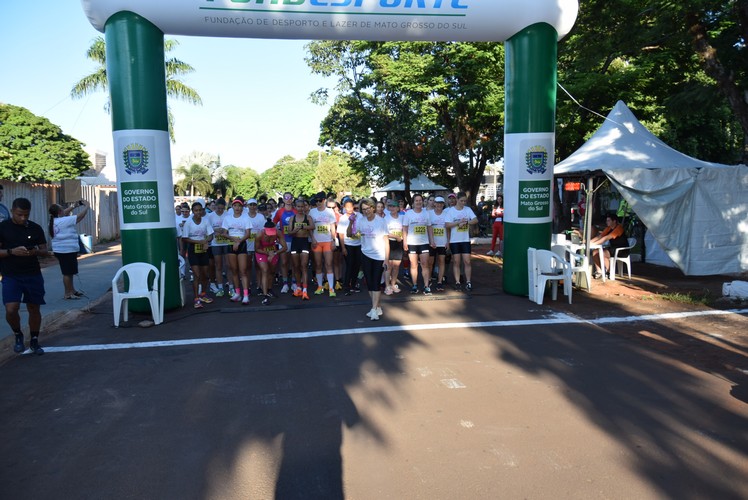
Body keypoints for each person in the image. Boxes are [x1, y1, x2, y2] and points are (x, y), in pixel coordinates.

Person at [0, 197, 49, 355]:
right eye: (20, 214)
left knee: (34, 308)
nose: (23, 218)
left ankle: (34, 340)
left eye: (26, 215)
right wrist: (11, 251)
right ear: (13, 210)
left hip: (32, 273)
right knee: (11, 309)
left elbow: (44, 250)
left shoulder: (35, 228)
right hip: (11, 275)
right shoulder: (3, 228)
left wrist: (35, 251)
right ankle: (17, 334)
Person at [354, 197, 390, 320]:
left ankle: (374, 309)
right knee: (369, 283)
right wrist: (350, 223)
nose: (366, 211)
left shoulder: (381, 221)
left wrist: (386, 259)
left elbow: (386, 241)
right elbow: (352, 234)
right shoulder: (360, 221)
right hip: (365, 254)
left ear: (373, 208)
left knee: (376, 282)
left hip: (379, 255)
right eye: (363, 209)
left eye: (368, 208)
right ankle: (377, 306)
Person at [48, 199, 89, 299]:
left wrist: (74, 206)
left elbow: (63, 212)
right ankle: (68, 293)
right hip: (66, 251)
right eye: (62, 208)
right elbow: (80, 217)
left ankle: (72, 290)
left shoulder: (55, 220)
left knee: (70, 272)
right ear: (59, 212)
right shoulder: (64, 221)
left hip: (63, 250)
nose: (64, 210)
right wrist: (87, 206)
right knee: (67, 273)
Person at [182, 201, 215, 308]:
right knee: (197, 275)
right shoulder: (188, 223)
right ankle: (196, 298)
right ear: (193, 211)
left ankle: (203, 294)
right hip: (193, 250)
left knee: (205, 274)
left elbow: (211, 235)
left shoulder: (205, 221)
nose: (198, 212)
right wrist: (199, 242)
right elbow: (185, 238)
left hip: (204, 250)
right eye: (196, 210)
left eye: (200, 210)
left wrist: (206, 241)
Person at [444, 192, 478, 291]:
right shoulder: (451, 211)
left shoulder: (468, 210)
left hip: (465, 240)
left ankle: (468, 282)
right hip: (454, 241)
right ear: (457, 200)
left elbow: (475, 220)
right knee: (456, 262)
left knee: (467, 261)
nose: (463, 203)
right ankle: (457, 282)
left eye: (465, 201)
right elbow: (447, 225)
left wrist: (467, 222)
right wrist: (458, 223)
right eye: (461, 201)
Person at [402, 193, 434, 295]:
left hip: (424, 243)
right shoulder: (408, 214)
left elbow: (429, 228)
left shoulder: (426, 213)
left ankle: (426, 286)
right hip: (412, 243)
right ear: (413, 202)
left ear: (422, 202)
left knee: (425, 264)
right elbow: (405, 228)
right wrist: (405, 242)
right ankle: (414, 285)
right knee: (414, 265)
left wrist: (432, 240)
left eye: (420, 200)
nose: (418, 202)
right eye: (416, 200)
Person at [222, 197, 251, 304]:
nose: (237, 208)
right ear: (232, 207)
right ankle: (237, 293)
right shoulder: (227, 218)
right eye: (235, 205)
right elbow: (224, 233)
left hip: (242, 244)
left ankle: (246, 294)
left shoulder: (245, 218)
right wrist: (233, 239)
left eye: (239, 206)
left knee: (243, 270)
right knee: (234, 270)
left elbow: (248, 234)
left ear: (242, 207)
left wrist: (238, 242)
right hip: (231, 244)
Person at [310, 195, 338, 297]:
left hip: (327, 241)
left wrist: (333, 240)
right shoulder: (312, 212)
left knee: (329, 264)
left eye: (320, 200)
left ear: (324, 200)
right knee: (317, 264)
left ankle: (331, 288)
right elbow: (310, 228)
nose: (318, 202)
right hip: (316, 242)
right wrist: (312, 239)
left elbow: (332, 227)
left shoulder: (330, 211)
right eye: (316, 201)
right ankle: (320, 286)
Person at [255, 219, 287, 305]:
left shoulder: (278, 233)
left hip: (273, 252)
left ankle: (269, 289)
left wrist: (274, 253)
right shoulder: (259, 235)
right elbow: (256, 249)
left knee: (272, 272)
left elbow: (285, 247)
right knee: (265, 270)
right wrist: (267, 253)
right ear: (264, 229)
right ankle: (265, 296)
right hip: (262, 252)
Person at [288, 198, 314, 300]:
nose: (300, 208)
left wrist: (303, 227)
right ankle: (298, 287)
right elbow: (289, 232)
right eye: (298, 207)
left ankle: (305, 289)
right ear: (295, 207)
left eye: (302, 206)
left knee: (304, 266)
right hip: (295, 242)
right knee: (296, 266)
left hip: (304, 242)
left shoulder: (308, 217)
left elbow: (312, 226)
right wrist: (295, 230)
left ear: (305, 207)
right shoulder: (292, 218)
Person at [272, 192, 297, 294]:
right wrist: (276, 237)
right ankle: (285, 283)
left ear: (292, 199)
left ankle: (294, 283)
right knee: (284, 262)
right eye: (286, 198)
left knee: (294, 263)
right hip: (283, 240)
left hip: (294, 239)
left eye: (290, 197)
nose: (288, 199)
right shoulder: (279, 212)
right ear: (283, 199)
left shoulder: (296, 211)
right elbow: (273, 225)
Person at [590, 213, 629, 278]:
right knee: (595, 252)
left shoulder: (618, 228)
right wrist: (589, 242)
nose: (606, 222)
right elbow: (600, 236)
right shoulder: (608, 228)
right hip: (613, 248)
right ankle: (599, 271)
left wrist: (594, 244)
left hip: (622, 250)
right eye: (606, 220)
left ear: (614, 221)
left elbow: (606, 238)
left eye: (608, 221)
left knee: (603, 253)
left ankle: (609, 272)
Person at [337, 198, 362, 295]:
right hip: (348, 245)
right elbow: (341, 234)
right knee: (349, 265)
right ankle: (346, 286)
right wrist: (343, 248)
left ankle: (354, 284)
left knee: (357, 265)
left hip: (358, 244)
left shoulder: (359, 215)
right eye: (347, 207)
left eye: (351, 207)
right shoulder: (343, 218)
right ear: (344, 207)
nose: (349, 209)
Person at [428, 196, 449, 291]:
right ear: (434, 204)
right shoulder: (429, 214)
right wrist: (430, 241)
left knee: (441, 262)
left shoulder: (446, 214)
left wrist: (448, 242)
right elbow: (428, 229)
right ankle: (428, 280)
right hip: (432, 243)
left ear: (443, 205)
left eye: (441, 203)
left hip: (442, 242)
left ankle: (440, 282)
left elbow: (448, 230)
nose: (439, 205)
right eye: (438, 203)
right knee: (430, 263)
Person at [383, 199, 404, 295]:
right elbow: (384, 233)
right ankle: (387, 286)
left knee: (396, 266)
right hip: (389, 243)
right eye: (390, 206)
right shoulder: (386, 218)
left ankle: (393, 284)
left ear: (398, 208)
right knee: (389, 266)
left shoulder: (402, 217)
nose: (392, 208)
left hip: (399, 244)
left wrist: (403, 238)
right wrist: (396, 236)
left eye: (394, 206)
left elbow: (405, 229)